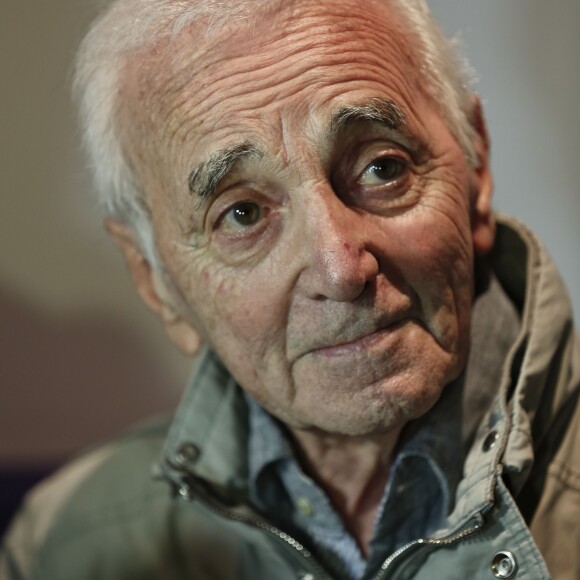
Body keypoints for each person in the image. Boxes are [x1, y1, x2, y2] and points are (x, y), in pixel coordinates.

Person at [2, 0, 579, 578]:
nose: (341, 269)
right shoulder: (63, 545)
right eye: (244, 213)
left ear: (476, 168)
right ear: (155, 282)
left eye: (382, 168)